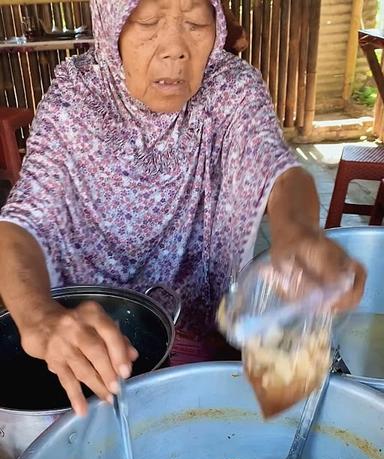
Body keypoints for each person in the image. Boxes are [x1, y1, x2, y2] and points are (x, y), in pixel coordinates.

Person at [0, 0, 365, 416]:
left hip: (193, 330)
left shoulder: (230, 87)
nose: (175, 48)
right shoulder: (76, 95)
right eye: (148, 22)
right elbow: (21, 219)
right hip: (90, 338)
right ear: (111, 26)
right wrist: (38, 317)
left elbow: (279, 171)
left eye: (195, 22)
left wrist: (298, 236)